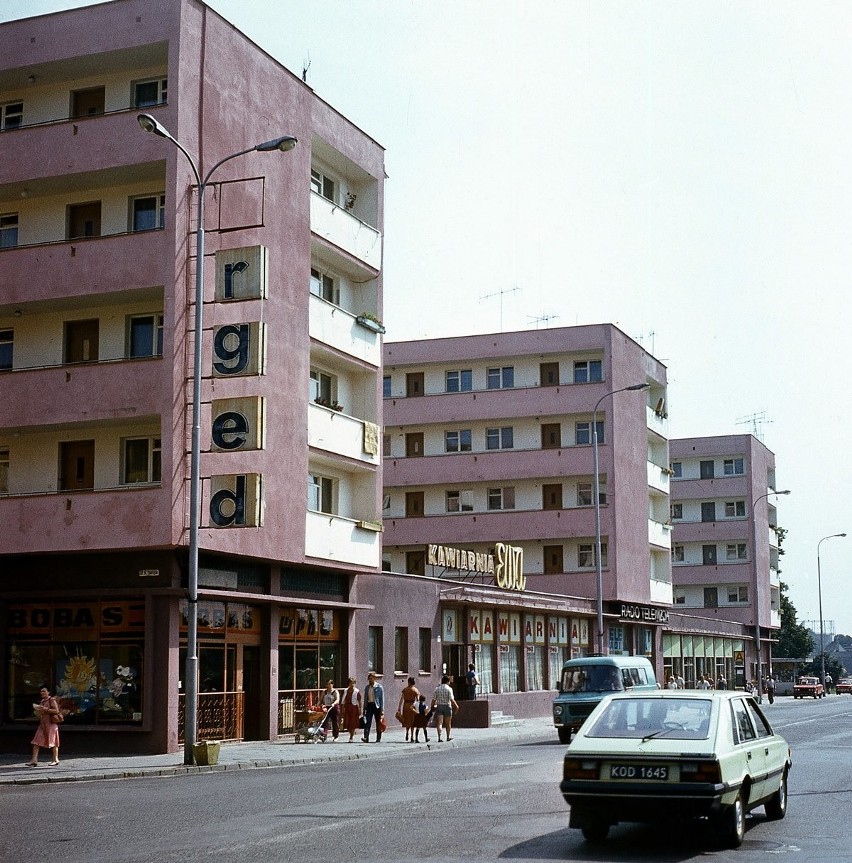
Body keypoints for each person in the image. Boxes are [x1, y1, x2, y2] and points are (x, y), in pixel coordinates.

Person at [30, 685, 61, 767]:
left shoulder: (52, 700)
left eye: (44, 691)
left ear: (48, 692)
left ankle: (55, 759)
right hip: (42, 724)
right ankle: (34, 760)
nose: (42, 693)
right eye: (41, 691)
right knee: (36, 741)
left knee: (53, 742)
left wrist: (45, 709)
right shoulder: (42, 701)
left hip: (51, 724)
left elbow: (56, 710)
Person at [430, 674, 459, 743]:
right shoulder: (449, 689)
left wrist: (432, 706)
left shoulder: (437, 689)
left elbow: (433, 699)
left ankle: (439, 737)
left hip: (439, 706)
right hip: (447, 707)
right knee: (448, 723)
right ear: (447, 681)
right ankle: (448, 737)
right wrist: (456, 706)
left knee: (439, 723)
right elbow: (452, 699)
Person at [362, 672, 385, 743]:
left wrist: (382, 709)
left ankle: (378, 737)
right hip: (369, 705)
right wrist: (364, 707)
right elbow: (365, 698)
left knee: (378, 722)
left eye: (371, 679)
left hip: (377, 706)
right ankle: (366, 737)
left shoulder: (379, 687)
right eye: (369, 679)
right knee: (367, 722)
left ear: (374, 679)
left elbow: (382, 699)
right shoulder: (367, 687)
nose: (370, 680)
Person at [397, 676, 420, 742]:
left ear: (408, 682)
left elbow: (401, 699)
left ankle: (407, 732)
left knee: (407, 720)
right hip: (412, 706)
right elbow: (417, 700)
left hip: (406, 705)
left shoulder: (405, 690)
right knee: (412, 721)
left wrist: (399, 707)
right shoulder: (415, 690)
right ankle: (412, 736)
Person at [340, 677, 362, 742]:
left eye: (353, 683)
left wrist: (360, 708)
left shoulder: (357, 691)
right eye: (351, 683)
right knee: (347, 722)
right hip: (347, 707)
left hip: (354, 707)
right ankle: (351, 732)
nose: (352, 685)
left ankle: (351, 736)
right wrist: (343, 708)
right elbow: (343, 700)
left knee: (353, 722)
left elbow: (359, 700)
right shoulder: (346, 691)